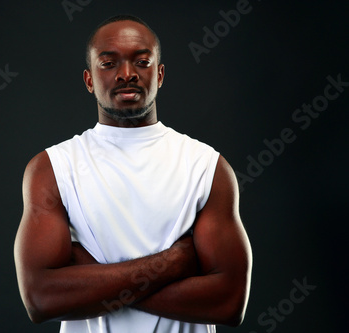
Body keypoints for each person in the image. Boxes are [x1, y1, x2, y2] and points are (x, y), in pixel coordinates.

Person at [14, 14, 252, 333]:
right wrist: (173, 264)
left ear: (160, 74)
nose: (127, 74)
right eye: (109, 63)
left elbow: (229, 303)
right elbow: (41, 299)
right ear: (89, 80)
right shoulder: (53, 167)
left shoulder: (206, 166)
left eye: (141, 61)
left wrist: (92, 275)